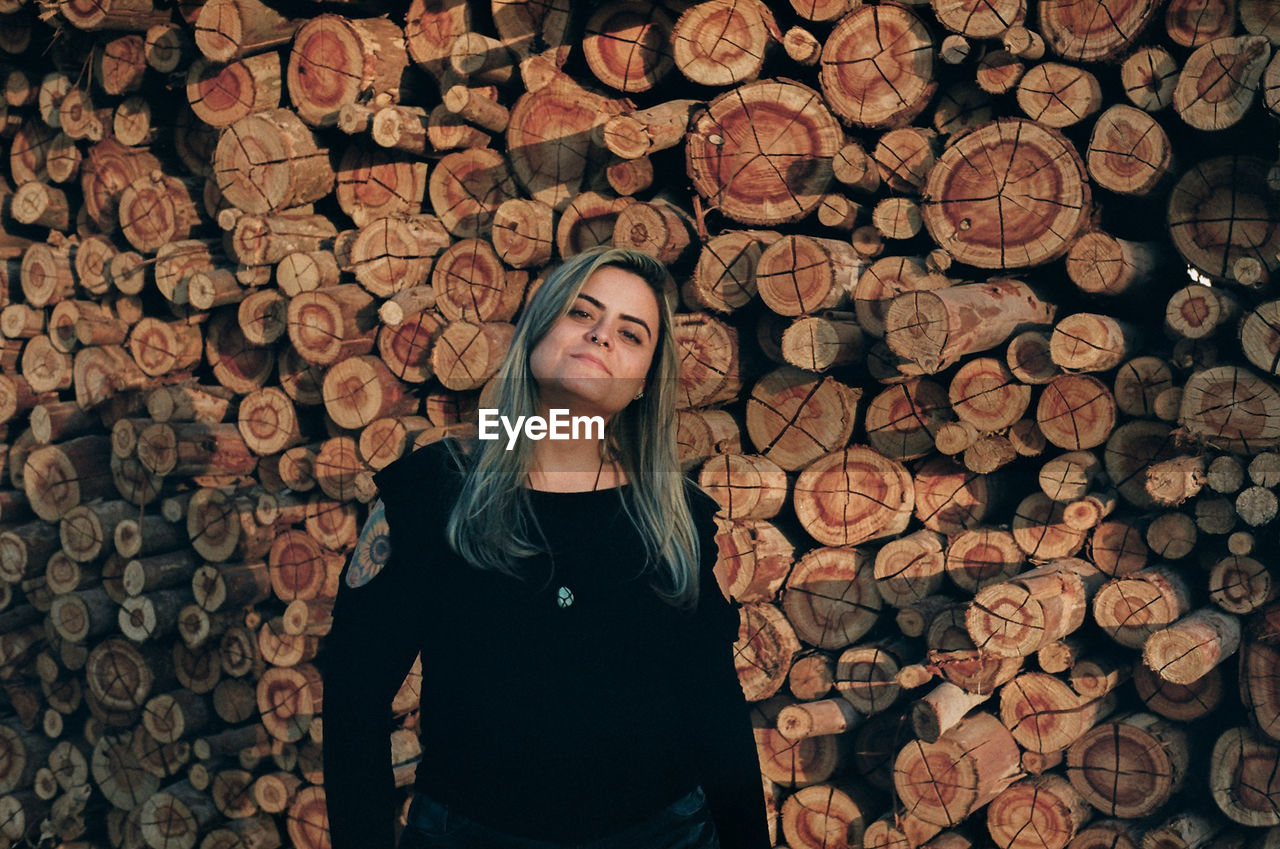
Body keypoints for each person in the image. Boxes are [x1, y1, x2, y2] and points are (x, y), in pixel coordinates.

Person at [320, 246, 771, 849]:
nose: (601, 336)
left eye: (630, 334)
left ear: (643, 385)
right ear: (537, 333)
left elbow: (715, 709)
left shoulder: (676, 515)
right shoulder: (434, 491)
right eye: (582, 314)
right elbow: (356, 694)